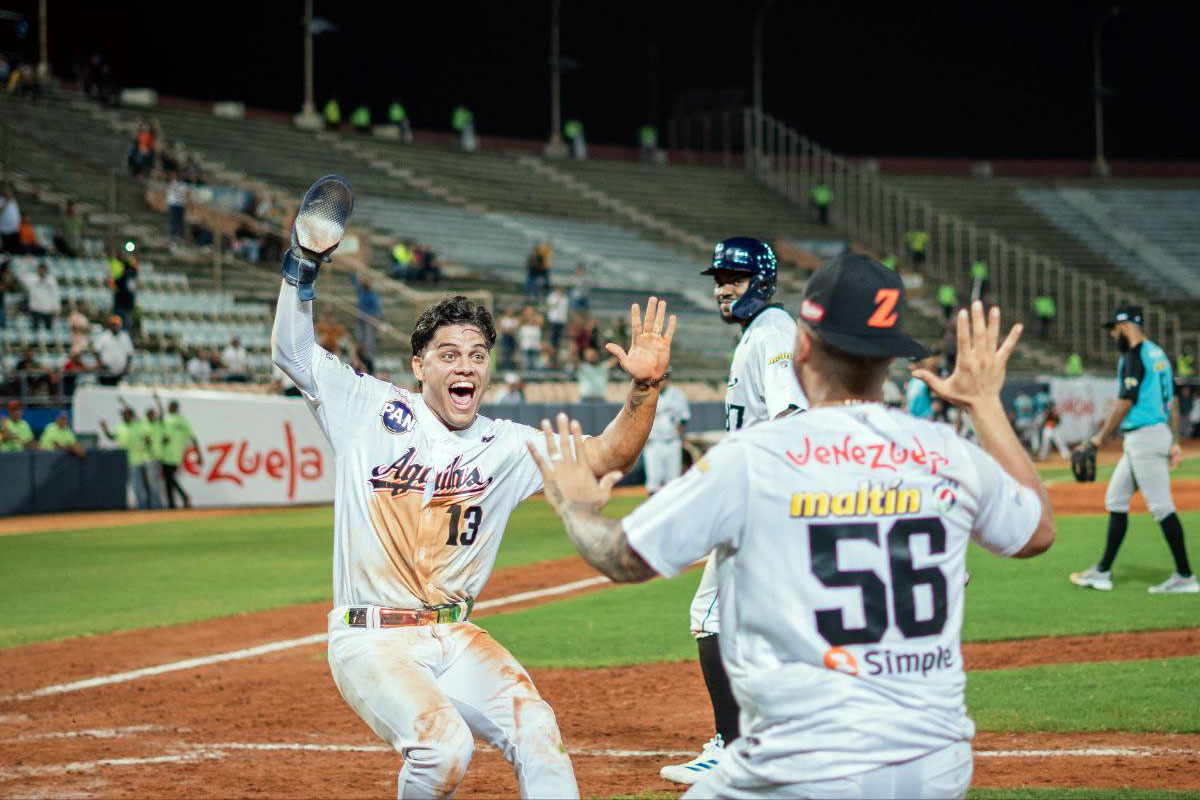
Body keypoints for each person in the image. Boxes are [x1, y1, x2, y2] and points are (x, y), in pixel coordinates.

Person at [530, 256, 1055, 800]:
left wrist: (576, 506)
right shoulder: (947, 453)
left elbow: (622, 556)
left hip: (801, 767)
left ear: (802, 346)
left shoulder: (754, 459)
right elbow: (1037, 531)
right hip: (936, 767)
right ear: (894, 357)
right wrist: (986, 405)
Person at [271, 178, 675, 798]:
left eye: (478, 354)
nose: (466, 366)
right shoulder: (366, 407)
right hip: (373, 637)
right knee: (443, 746)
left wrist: (643, 390)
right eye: (450, 353)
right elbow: (293, 351)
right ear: (419, 364)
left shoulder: (505, 443)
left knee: (537, 726)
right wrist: (302, 267)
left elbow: (605, 456)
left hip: (455, 633)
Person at [659, 236, 808, 786]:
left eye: (734, 279)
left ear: (761, 282)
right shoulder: (764, 332)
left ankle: (733, 746)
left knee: (711, 616)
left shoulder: (771, 332)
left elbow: (791, 413)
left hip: (761, 502)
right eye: (719, 279)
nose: (723, 288)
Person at [1069, 305, 1197, 594]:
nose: (1113, 334)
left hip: (1145, 439)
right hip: (1152, 435)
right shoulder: (1158, 353)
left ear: (1125, 326)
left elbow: (1126, 402)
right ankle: (1102, 571)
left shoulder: (1133, 356)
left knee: (1162, 507)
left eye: (1115, 328)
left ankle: (1186, 576)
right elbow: (1171, 401)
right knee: (1116, 499)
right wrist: (1174, 439)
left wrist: (1098, 439)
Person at [100, 406, 160, 510]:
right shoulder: (120, 427)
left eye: (125, 415)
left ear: (131, 416)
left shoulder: (139, 426)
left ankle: (156, 508)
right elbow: (111, 437)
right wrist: (105, 428)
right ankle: (143, 508)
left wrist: (146, 448)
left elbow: (148, 440)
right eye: (123, 415)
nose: (123, 416)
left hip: (143, 459)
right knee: (136, 486)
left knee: (150, 485)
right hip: (129, 461)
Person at [642, 376, 689, 494]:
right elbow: (640, 419)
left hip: (673, 442)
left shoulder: (678, 394)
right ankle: (653, 510)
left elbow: (685, 416)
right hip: (653, 443)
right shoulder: (646, 394)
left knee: (674, 481)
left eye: (664, 379)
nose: (662, 382)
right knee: (654, 480)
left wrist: (680, 428)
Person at [157, 395, 202, 509]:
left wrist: (199, 455)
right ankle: (172, 504)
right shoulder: (176, 420)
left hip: (172, 454)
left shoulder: (177, 420)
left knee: (169, 478)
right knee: (168, 479)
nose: (170, 408)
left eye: (172, 406)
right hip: (168, 454)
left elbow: (193, 438)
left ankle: (181, 497)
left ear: (175, 408)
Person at [350, 272, 384, 370]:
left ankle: (369, 360)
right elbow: (354, 281)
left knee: (368, 340)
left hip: (369, 318)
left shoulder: (372, 294)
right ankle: (359, 357)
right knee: (359, 338)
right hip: (360, 317)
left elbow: (378, 308)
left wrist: (381, 318)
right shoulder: (361, 291)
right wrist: (355, 271)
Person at [92, 314, 135, 386]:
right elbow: (96, 350)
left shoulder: (124, 336)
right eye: (113, 324)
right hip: (106, 372)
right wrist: (100, 363)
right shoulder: (103, 336)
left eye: (117, 324)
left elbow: (129, 353)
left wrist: (128, 366)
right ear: (109, 325)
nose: (115, 326)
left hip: (121, 372)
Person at [19, 261, 61, 331]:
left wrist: (57, 308)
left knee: (49, 330)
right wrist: (26, 264)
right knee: (34, 330)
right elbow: (21, 276)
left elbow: (56, 295)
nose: (41, 271)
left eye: (43, 269)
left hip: (48, 309)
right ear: (37, 269)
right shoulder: (31, 279)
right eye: (40, 269)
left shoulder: (51, 280)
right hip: (35, 309)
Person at [109, 253, 138, 331]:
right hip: (123, 304)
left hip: (123, 304)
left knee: (124, 326)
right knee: (123, 326)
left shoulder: (125, 278)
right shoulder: (129, 278)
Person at [545, 287, 569, 367]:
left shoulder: (565, 299)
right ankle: (552, 350)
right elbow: (551, 306)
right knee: (552, 339)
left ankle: (556, 350)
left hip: (561, 321)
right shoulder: (552, 297)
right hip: (553, 320)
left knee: (558, 340)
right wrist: (558, 299)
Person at [517, 305, 544, 372]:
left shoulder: (537, 324)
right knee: (526, 365)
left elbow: (541, 321)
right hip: (525, 347)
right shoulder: (523, 324)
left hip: (535, 347)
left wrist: (533, 317)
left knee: (535, 365)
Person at [166, 172, 189, 240]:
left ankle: (180, 234)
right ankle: (173, 234)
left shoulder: (184, 185)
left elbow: (187, 194)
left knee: (180, 220)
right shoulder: (172, 184)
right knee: (173, 219)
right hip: (173, 203)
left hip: (180, 204)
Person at [0, 186, 20, 253]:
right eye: (8, 192)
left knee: (15, 249)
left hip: (15, 229)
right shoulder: (1, 200)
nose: (9, 194)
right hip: (5, 229)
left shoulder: (13, 201)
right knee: (6, 249)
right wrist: (6, 202)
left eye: (10, 192)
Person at [0, 259, 14, 328]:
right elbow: (2, 288)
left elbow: (12, 289)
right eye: (8, 269)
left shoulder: (7, 277)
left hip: (2, 304)